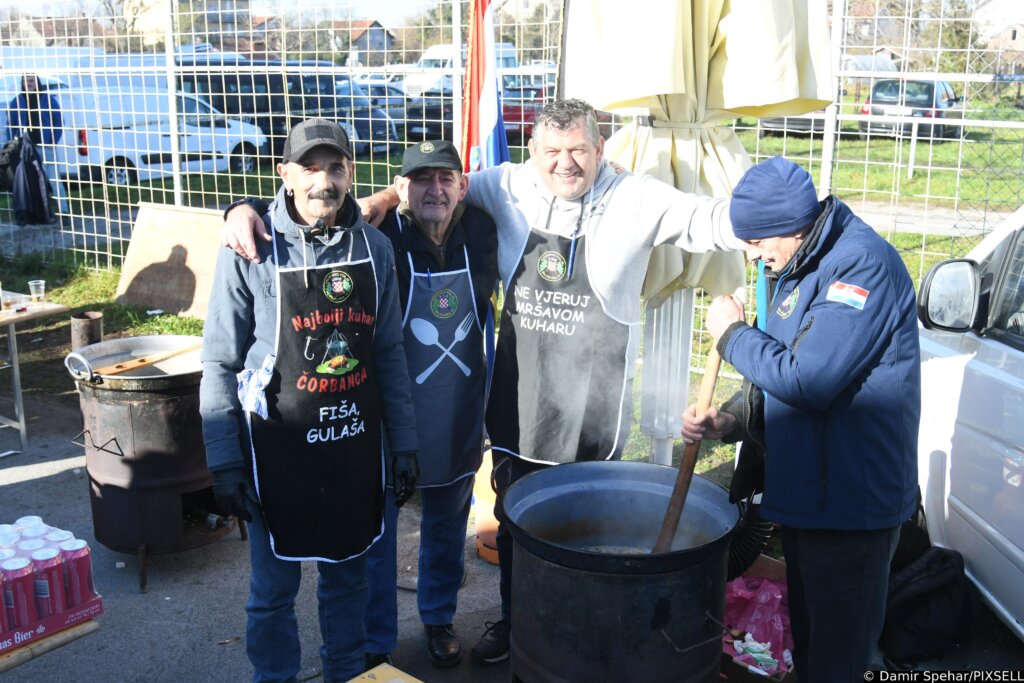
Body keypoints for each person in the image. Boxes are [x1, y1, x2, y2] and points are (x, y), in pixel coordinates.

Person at [223, 99, 745, 665]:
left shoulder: (490, 222)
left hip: (474, 411)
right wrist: (244, 208)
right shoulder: (382, 238)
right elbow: (312, 215)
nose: (435, 192)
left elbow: (705, 220)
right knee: (380, 542)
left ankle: (445, 621)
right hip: (392, 416)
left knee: (457, 528)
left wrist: (772, 224)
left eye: (445, 179)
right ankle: (376, 644)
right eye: (419, 182)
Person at [681, 156, 920, 682]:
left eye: (757, 240)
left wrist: (731, 335)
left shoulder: (862, 267)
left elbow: (809, 381)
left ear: (789, 226)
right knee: (811, 649)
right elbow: (785, 366)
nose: (751, 252)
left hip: (852, 506)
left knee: (837, 660)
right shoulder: (796, 261)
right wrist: (733, 420)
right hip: (812, 496)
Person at [199, 118, 419, 683]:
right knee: (272, 591)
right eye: (311, 166)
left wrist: (405, 447)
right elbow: (221, 360)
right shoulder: (250, 248)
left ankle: (345, 673)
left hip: (352, 449)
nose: (325, 179)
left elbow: (390, 353)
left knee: (349, 583)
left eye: (337, 166)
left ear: (351, 173)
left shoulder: (375, 249)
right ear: (286, 175)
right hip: (277, 453)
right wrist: (224, 461)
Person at [5, 74, 67, 221]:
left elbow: (58, 121)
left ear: (37, 82)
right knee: (33, 182)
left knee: (54, 181)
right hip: (26, 151)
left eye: (32, 80)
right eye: (26, 81)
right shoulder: (17, 101)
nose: (29, 83)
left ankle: (64, 212)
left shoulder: (48, 99)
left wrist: (53, 140)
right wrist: (12, 145)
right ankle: (40, 215)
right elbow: (10, 125)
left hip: (47, 147)